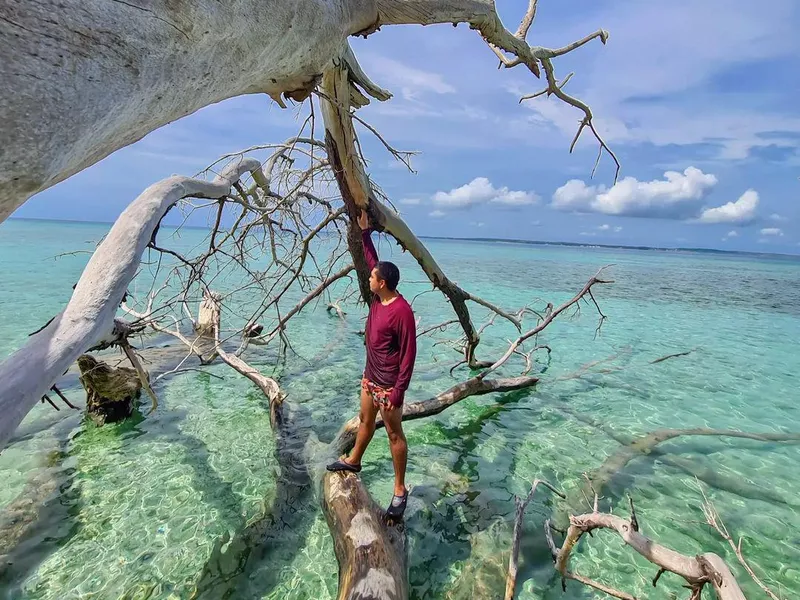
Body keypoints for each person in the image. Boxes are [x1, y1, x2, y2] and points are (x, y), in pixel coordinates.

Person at [326, 209, 417, 519]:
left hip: (390, 386)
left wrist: (398, 393)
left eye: (373, 277)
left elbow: (408, 354)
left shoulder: (402, 311)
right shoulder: (379, 299)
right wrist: (365, 234)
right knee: (365, 424)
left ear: (383, 283)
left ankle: (400, 490)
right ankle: (354, 460)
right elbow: (370, 260)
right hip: (370, 379)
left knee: (394, 436)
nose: (369, 277)